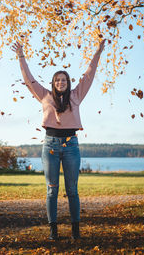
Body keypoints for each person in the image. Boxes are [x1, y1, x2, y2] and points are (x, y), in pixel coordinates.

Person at [12, 39, 106, 240]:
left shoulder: (76, 96)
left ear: (68, 82)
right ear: (53, 83)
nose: (60, 82)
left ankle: (75, 230)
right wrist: (21, 55)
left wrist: (98, 51)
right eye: (57, 80)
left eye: (64, 80)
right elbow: (29, 79)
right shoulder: (45, 96)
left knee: (72, 190)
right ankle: (53, 231)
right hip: (50, 146)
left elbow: (89, 75)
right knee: (51, 190)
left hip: (71, 145)